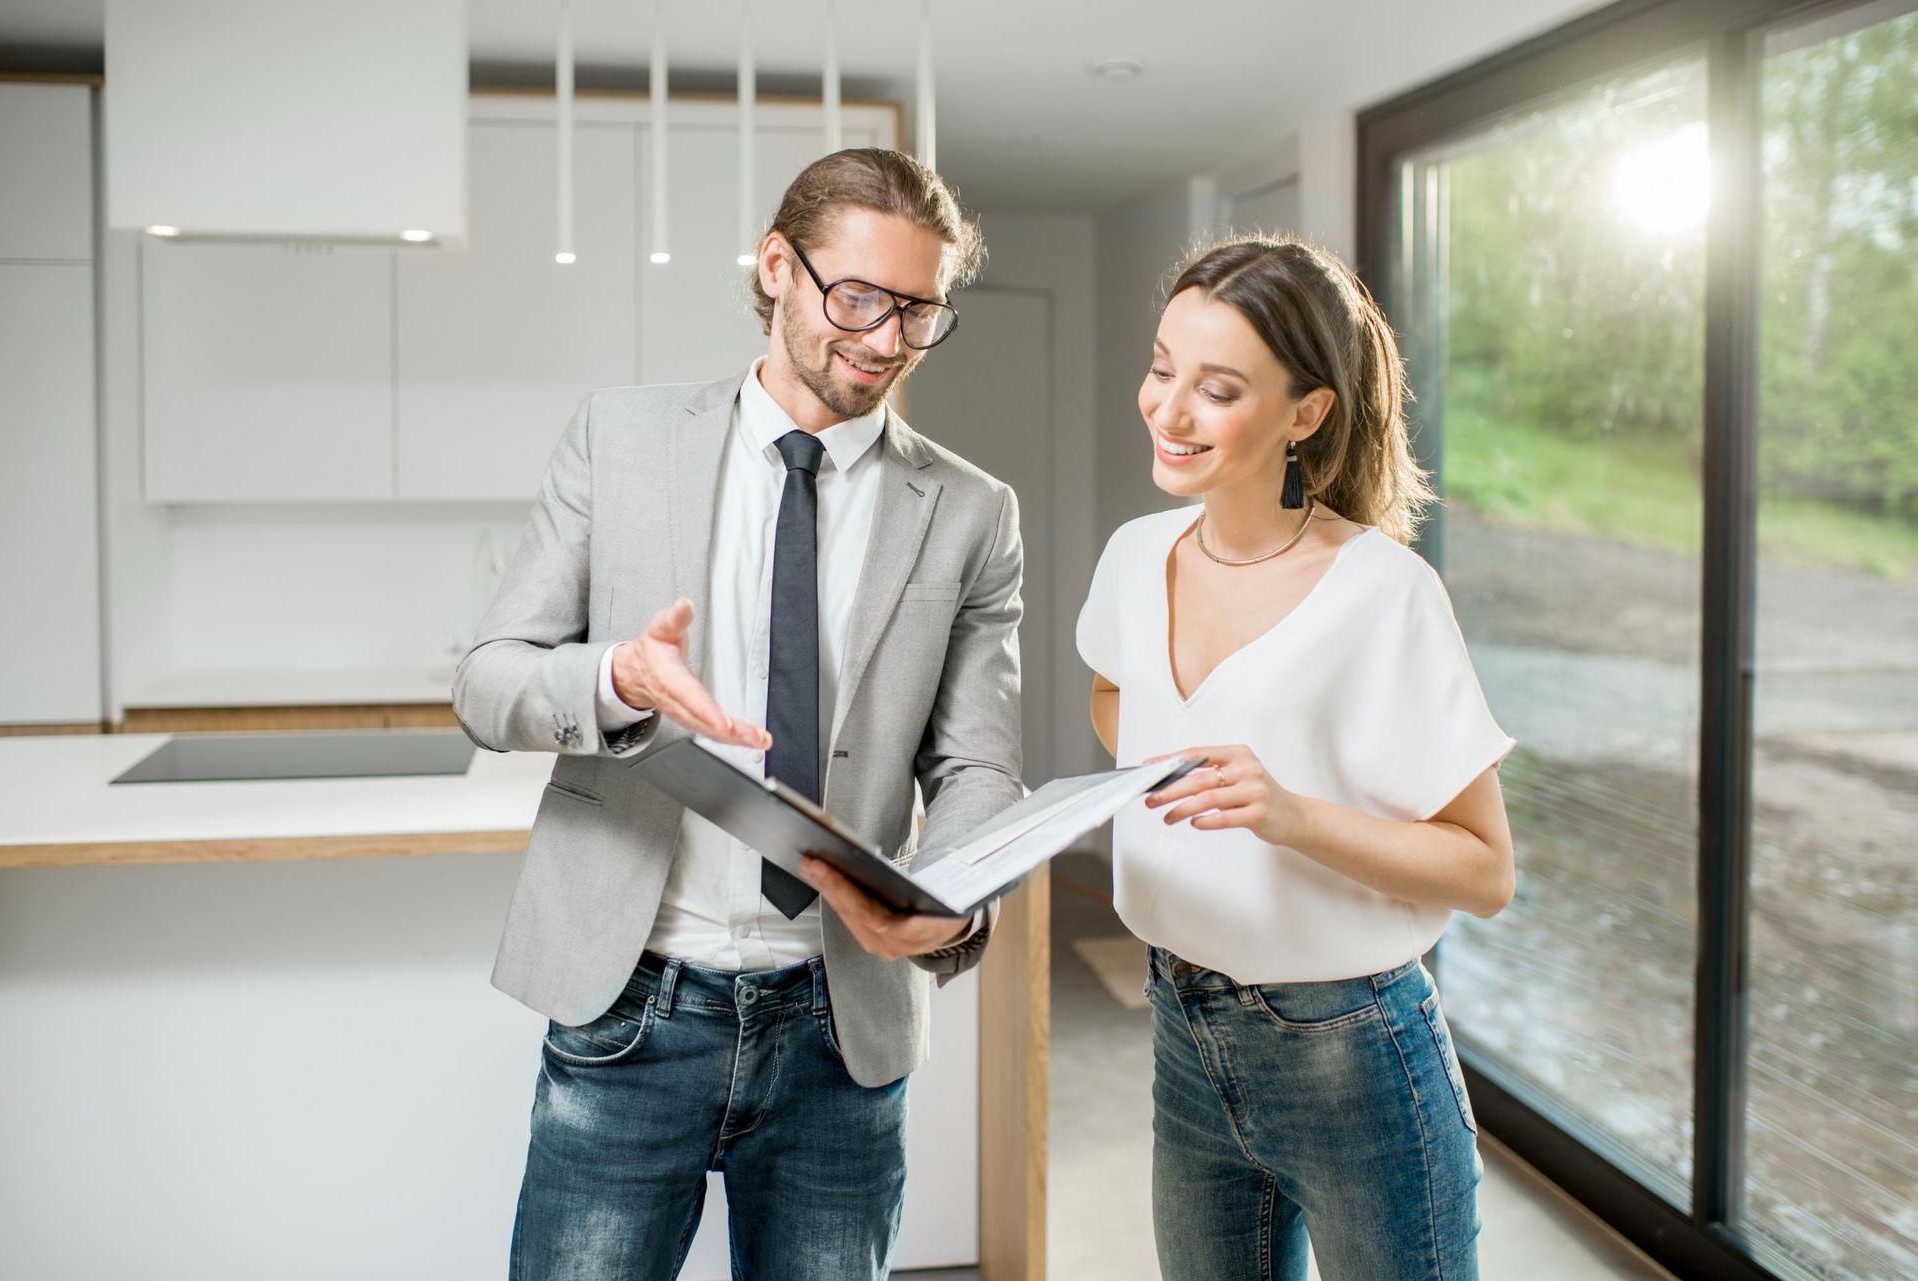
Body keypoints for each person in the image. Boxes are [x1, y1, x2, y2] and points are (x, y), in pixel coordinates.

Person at [452, 148, 1026, 1281]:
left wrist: (947, 907)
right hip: (631, 1007)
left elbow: (979, 769)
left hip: (838, 1025)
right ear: (777, 267)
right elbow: (486, 679)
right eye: (857, 297)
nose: (884, 340)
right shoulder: (620, 439)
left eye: (919, 313)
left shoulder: (970, 511)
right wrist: (615, 678)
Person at [1076, 234, 1517, 1281]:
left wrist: (1287, 814)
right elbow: (1113, 694)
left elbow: (1484, 871)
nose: (1168, 410)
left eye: (1217, 388)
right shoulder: (1136, 556)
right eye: (1161, 366)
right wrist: (1174, 772)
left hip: (1350, 1049)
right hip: (1184, 1020)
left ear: (1305, 413)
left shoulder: (1384, 593)